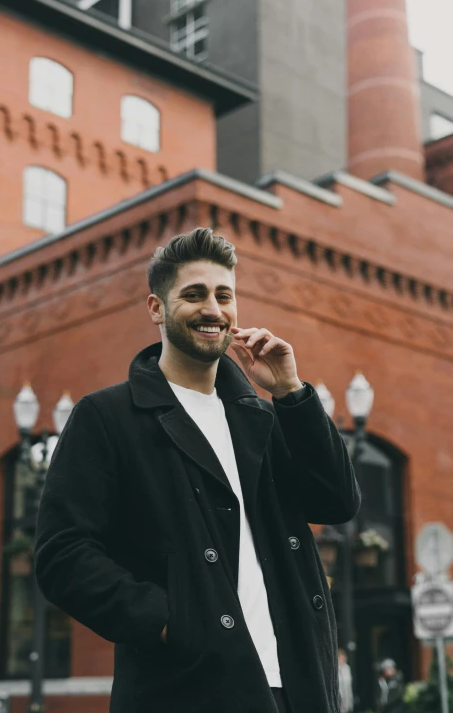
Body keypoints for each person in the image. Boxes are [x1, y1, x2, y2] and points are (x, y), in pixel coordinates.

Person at [35, 228, 361, 713]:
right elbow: (62, 553)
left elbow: (336, 502)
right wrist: (170, 621)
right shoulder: (107, 416)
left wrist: (292, 393)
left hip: (297, 685)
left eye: (223, 295)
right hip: (188, 687)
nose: (213, 309)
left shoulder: (263, 418)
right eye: (194, 294)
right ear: (156, 308)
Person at [338, 648, 354, 713]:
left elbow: (349, 686)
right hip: (339, 699)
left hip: (347, 698)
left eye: (344, 658)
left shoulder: (347, 668)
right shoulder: (334, 669)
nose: (343, 660)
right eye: (341, 658)